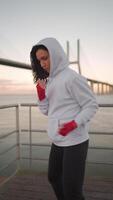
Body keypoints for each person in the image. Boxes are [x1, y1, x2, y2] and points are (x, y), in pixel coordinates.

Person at [30, 37, 98, 200]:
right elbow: (47, 111)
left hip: (75, 141)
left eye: (45, 58)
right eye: (39, 61)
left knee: (72, 191)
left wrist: (74, 124)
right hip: (58, 138)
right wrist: (41, 95)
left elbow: (91, 105)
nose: (42, 64)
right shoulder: (51, 81)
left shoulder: (73, 78)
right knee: (53, 177)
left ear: (56, 54)